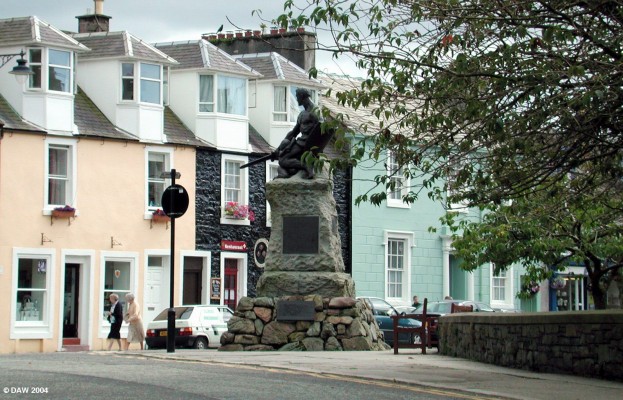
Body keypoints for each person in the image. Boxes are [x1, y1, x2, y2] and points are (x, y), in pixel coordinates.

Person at [274, 88, 333, 179]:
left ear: (302, 97)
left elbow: (321, 130)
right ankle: (291, 171)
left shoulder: (315, 111)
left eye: (297, 97)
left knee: (283, 160)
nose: (296, 99)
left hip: (308, 144)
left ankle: (306, 165)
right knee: (283, 158)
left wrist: (314, 149)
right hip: (300, 142)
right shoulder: (302, 114)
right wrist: (278, 149)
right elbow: (293, 133)